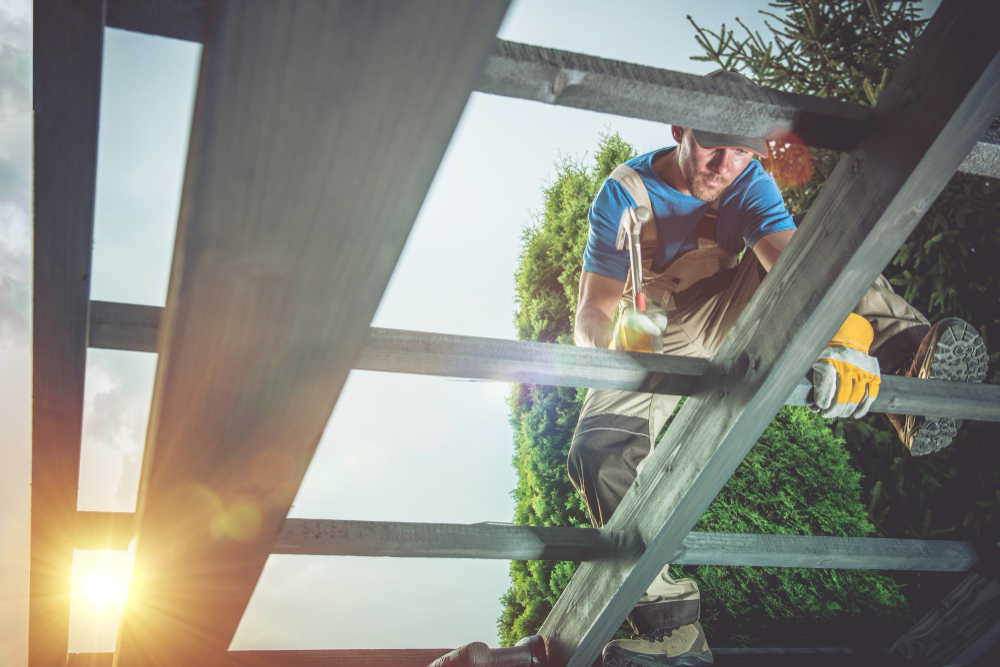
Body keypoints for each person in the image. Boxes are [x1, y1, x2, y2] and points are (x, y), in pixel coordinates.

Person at [570, 70, 988, 667]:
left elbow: (794, 269)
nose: (726, 166)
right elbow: (591, 309)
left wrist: (840, 336)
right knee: (596, 450)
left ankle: (911, 359)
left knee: (818, 243)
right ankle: (672, 629)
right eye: (715, 147)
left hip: (729, 310)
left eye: (743, 152)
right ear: (679, 128)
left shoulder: (749, 183)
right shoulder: (624, 194)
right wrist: (614, 348)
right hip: (652, 331)